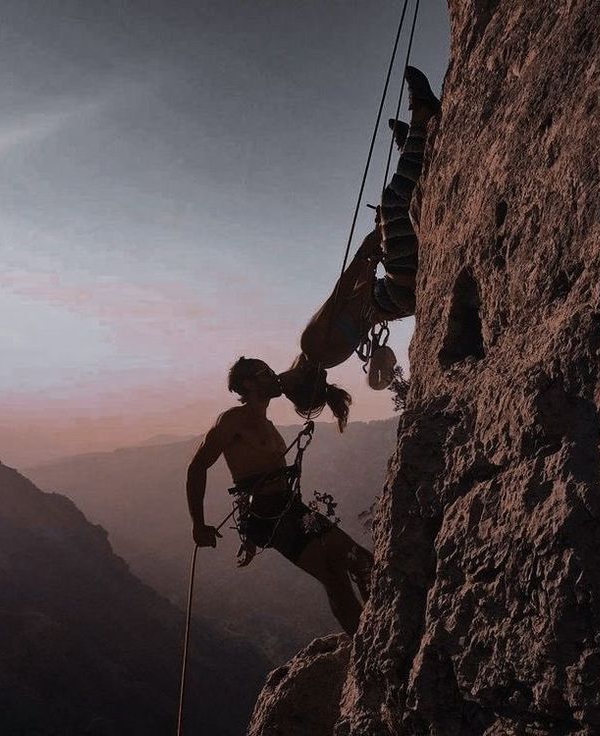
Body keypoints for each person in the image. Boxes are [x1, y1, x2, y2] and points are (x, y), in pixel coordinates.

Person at [281, 66, 440, 417]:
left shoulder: (331, 359)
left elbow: (357, 307)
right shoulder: (312, 346)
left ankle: (412, 146)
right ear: (297, 378)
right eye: (286, 380)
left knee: (397, 210)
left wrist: (374, 261)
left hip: (401, 293)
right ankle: (422, 116)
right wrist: (368, 251)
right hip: (398, 283)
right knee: (395, 202)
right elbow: (342, 292)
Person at [186, 356, 373, 636]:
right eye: (265, 372)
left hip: (288, 508)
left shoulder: (268, 424)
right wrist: (198, 525)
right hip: (269, 516)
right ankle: (367, 644)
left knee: (360, 560)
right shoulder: (232, 420)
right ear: (248, 383)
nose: (274, 376)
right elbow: (197, 466)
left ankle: (380, 626)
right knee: (335, 579)